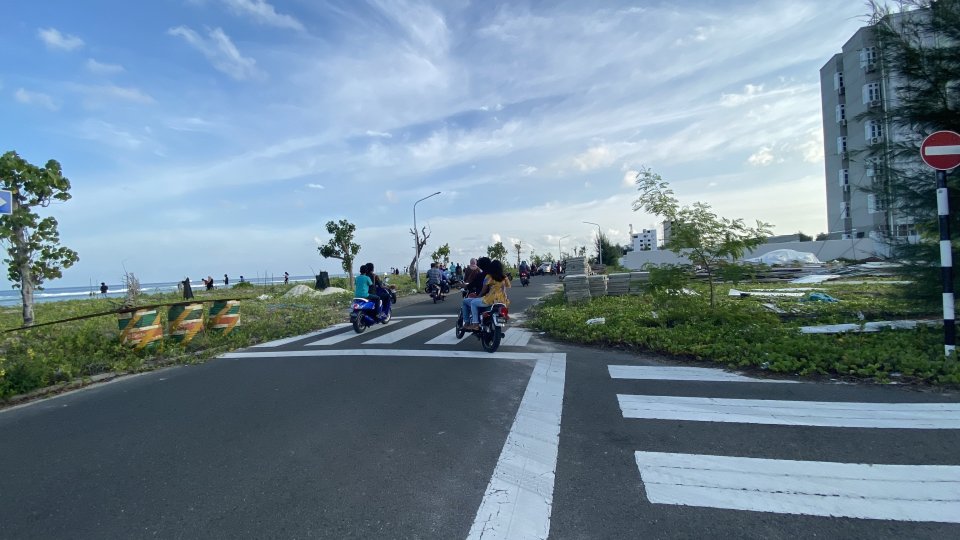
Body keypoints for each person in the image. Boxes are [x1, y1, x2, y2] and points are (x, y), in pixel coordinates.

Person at [464, 260, 510, 331]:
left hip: (491, 299)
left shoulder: (489, 276)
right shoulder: (504, 277)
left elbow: (484, 290)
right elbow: (504, 290)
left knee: (473, 302)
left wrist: (478, 296)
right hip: (502, 300)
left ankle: (475, 324)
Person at [460, 256, 491, 325]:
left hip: (485, 299)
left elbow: (482, 289)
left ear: (480, 265)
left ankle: (469, 323)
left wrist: (463, 285)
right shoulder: (496, 275)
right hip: (498, 299)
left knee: (466, 301)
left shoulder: (481, 275)